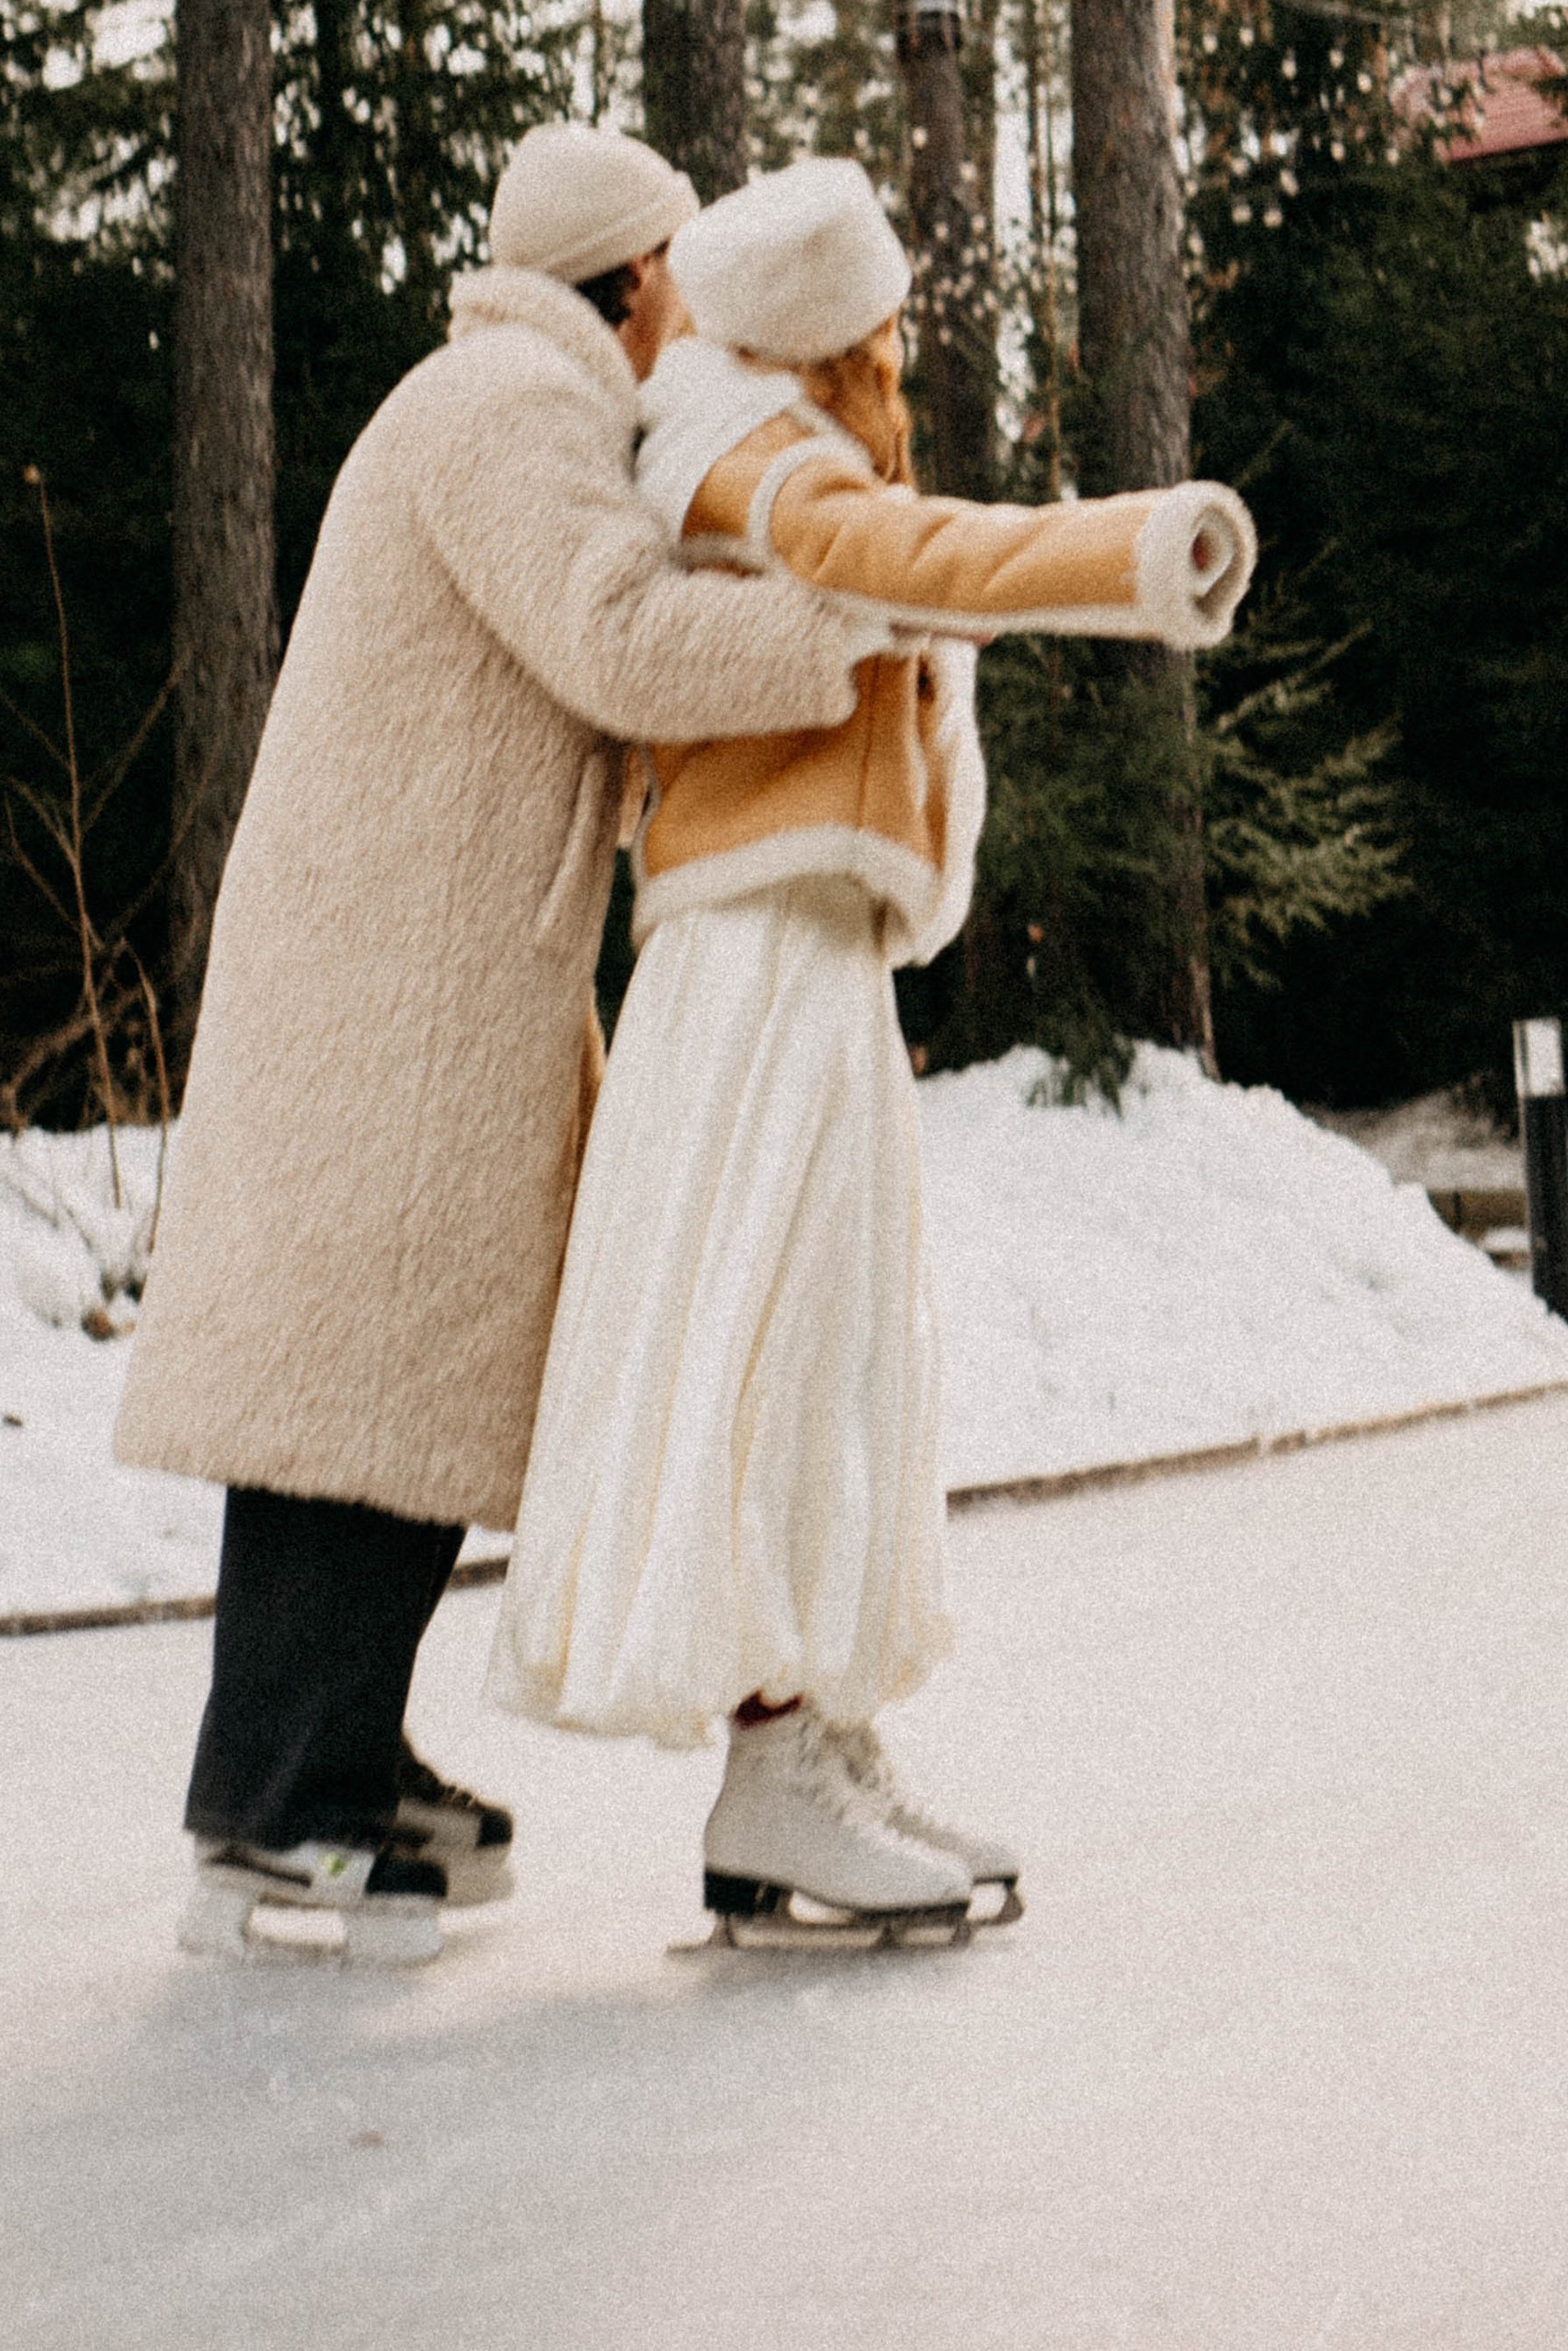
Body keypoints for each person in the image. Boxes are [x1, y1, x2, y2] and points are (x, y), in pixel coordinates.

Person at [115, 123, 895, 1969]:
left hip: (426, 977)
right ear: (624, 283)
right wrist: (837, 625)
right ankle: (276, 1797)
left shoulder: (508, 405)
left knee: (386, 1390)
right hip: (393, 987)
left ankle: (330, 1750)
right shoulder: (499, 410)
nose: (686, 320)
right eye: (674, 286)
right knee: (347, 1396)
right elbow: (611, 637)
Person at [487, 157, 1256, 1944]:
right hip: (751, 956)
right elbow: (897, 557)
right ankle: (772, 1782)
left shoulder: (768, 430)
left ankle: (815, 1746)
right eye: (884, 323)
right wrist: (1135, 550)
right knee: (772, 1339)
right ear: (836, 328)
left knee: (831, 1348)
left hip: (803, 948)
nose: (894, 352)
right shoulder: (744, 450)